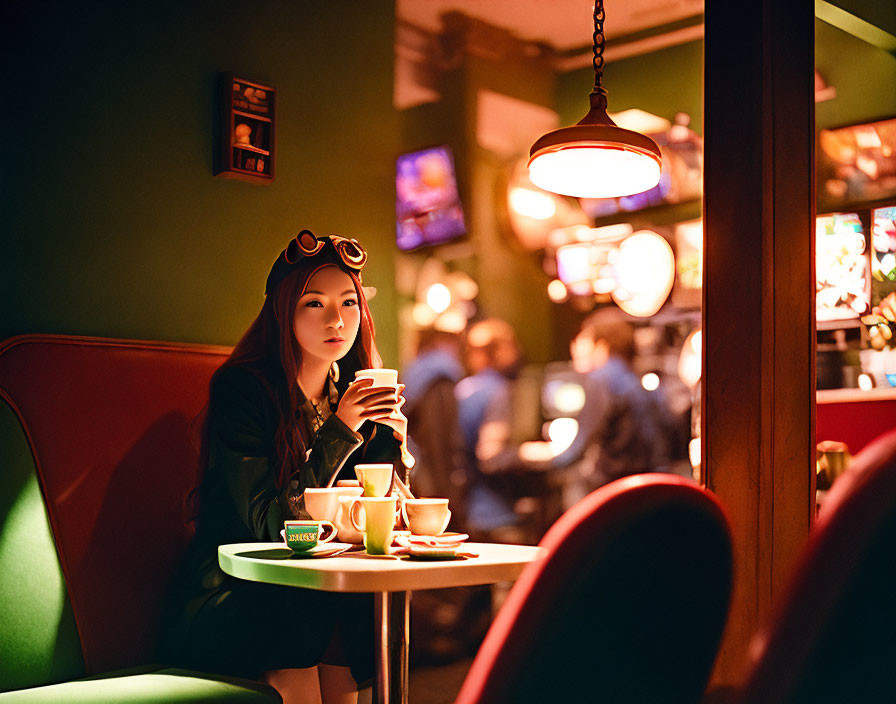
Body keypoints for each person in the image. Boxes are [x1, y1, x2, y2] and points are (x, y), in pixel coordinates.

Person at [162, 230, 408, 704]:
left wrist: (397, 444)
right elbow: (275, 527)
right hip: (237, 594)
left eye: (349, 303)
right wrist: (342, 428)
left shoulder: (354, 394)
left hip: (315, 596)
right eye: (314, 304)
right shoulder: (244, 390)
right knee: (305, 610)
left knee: (360, 609)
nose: (337, 319)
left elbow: (384, 526)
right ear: (284, 313)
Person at [520, 309, 669, 488]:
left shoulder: (602, 378)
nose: (575, 348)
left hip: (618, 488)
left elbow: (579, 446)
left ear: (601, 345)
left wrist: (539, 458)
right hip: (646, 484)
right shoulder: (632, 376)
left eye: (582, 341)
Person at [455, 319, 523, 536]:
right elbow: (490, 455)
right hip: (497, 513)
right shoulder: (499, 391)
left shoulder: (461, 389)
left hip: (467, 508)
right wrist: (528, 454)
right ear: (500, 350)